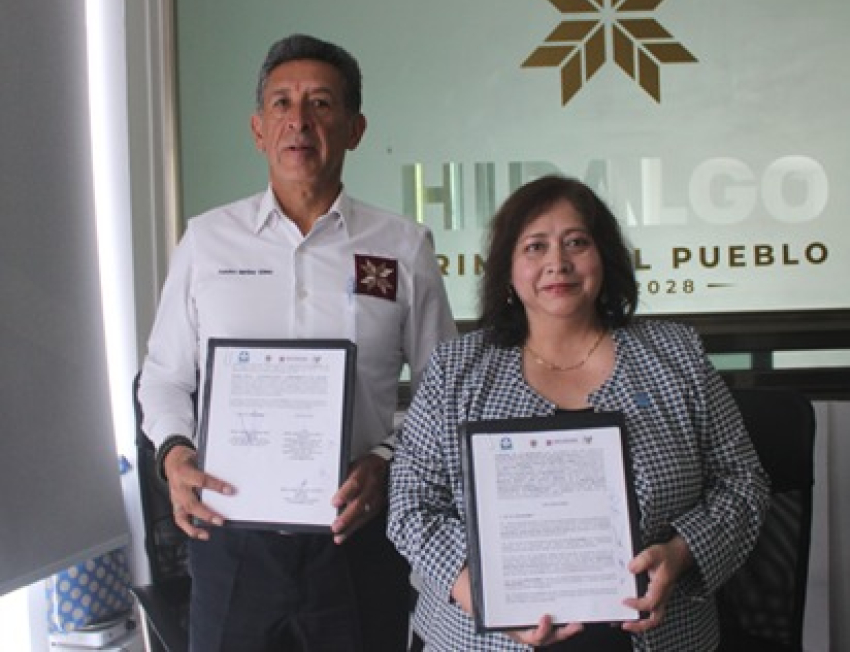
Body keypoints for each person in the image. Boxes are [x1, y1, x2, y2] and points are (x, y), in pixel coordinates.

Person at [138, 33, 457, 652]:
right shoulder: (207, 241)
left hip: (357, 537)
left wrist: (386, 462)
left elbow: (441, 392)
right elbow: (165, 376)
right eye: (281, 103)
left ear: (355, 129)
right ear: (258, 129)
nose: (299, 121)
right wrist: (175, 454)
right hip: (231, 539)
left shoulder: (403, 246)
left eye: (321, 103)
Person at [387, 175, 770, 651]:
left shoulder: (676, 356)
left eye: (576, 243)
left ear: (603, 257)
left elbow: (742, 481)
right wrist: (486, 600)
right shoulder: (456, 370)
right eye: (535, 247)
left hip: (659, 634)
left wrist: (680, 552)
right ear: (508, 269)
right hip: (484, 640)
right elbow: (410, 506)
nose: (558, 263)